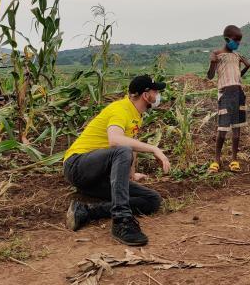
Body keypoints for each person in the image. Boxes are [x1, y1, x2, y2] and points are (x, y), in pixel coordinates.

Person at [63, 75, 170, 246]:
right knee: (122, 149)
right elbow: (115, 140)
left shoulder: (137, 114)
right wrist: (154, 148)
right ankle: (121, 220)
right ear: (145, 94)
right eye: (155, 91)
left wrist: (131, 175)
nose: (158, 95)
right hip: (77, 166)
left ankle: (85, 211)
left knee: (152, 200)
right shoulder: (120, 109)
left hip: (97, 177)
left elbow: (131, 145)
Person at [206, 25, 250, 174]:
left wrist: (247, 67)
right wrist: (212, 62)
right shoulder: (217, 55)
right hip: (225, 93)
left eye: (239, 41)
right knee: (222, 129)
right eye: (235, 40)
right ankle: (217, 160)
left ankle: (234, 159)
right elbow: (210, 76)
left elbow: (236, 77)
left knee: (237, 129)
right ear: (226, 39)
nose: (237, 43)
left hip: (238, 93)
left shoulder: (237, 56)